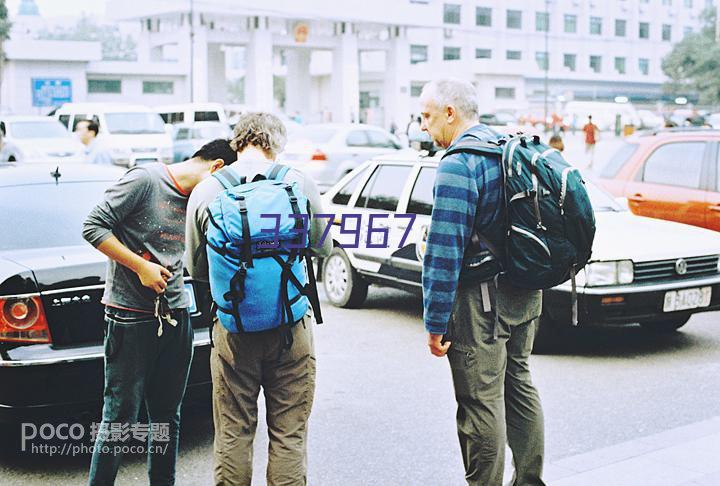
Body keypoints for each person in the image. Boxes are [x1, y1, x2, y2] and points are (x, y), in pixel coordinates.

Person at [185, 112, 332, 485]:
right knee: (289, 434)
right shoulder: (299, 183)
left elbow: (196, 267)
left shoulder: (208, 190)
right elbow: (322, 245)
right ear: (276, 143)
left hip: (233, 327)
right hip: (290, 323)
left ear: (237, 143)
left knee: (234, 431)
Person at [82, 139, 238, 486]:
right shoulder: (145, 180)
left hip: (176, 314)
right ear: (216, 168)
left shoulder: (202, 201)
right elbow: (92, 226)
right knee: (119, 419)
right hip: (130, 316)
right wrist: (140, 267)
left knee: (167, 416)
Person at [419, 79, 545, 486]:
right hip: (526, 290)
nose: (424, 126)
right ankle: (529, 480)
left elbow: (444, 250)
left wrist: (435, 322)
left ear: (450, 113)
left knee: (480, 401)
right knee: (519, 384)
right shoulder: (509, 147)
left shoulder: (459, 163)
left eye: (427, 116)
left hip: (483, 303)